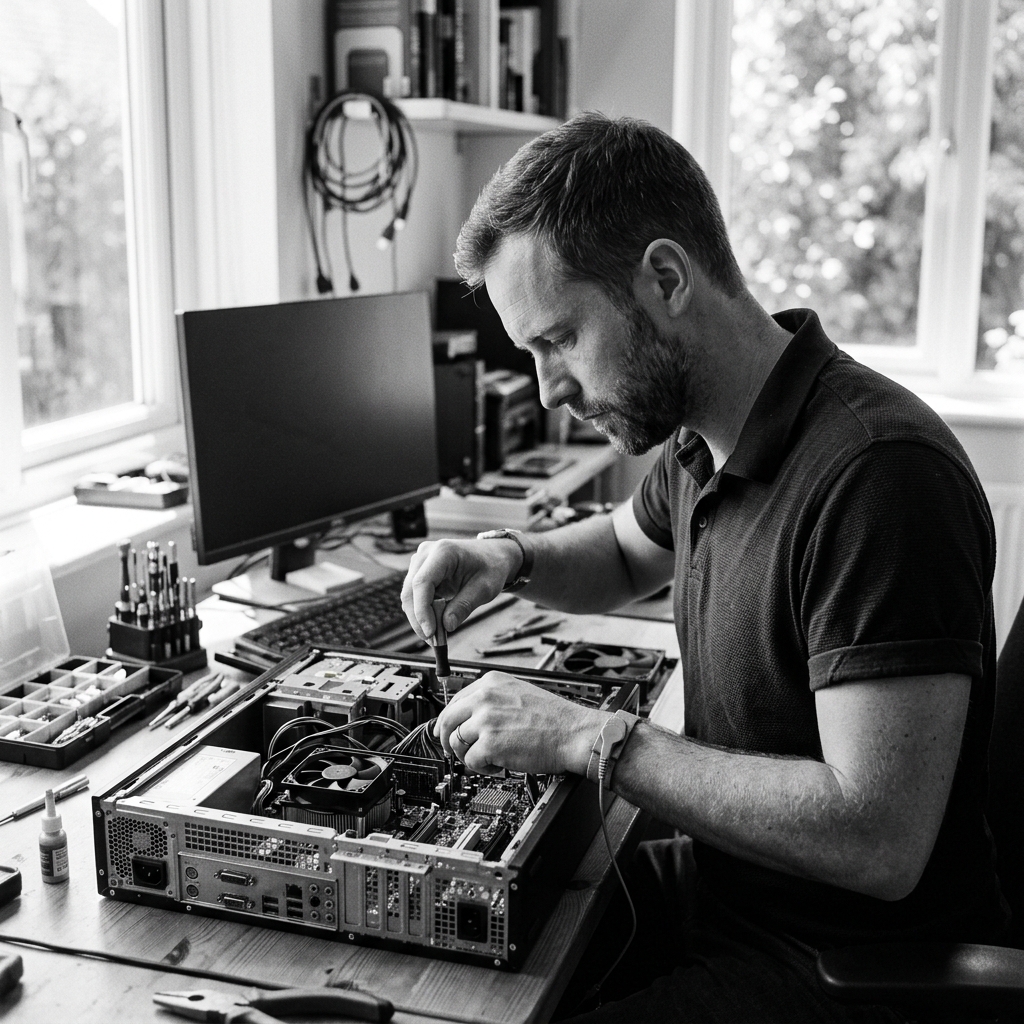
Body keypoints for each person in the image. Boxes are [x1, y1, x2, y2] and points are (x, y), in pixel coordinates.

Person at [400, 113, 1007, 1023]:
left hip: (842, 966)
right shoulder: (705, 437)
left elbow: (878, 837)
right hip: (737, 896)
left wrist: (593, 738)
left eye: (559, 339)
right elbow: (619, 552)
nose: (549, 389)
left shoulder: (879, 477)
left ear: (666, 279)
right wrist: (504, 555)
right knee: (457, 957)